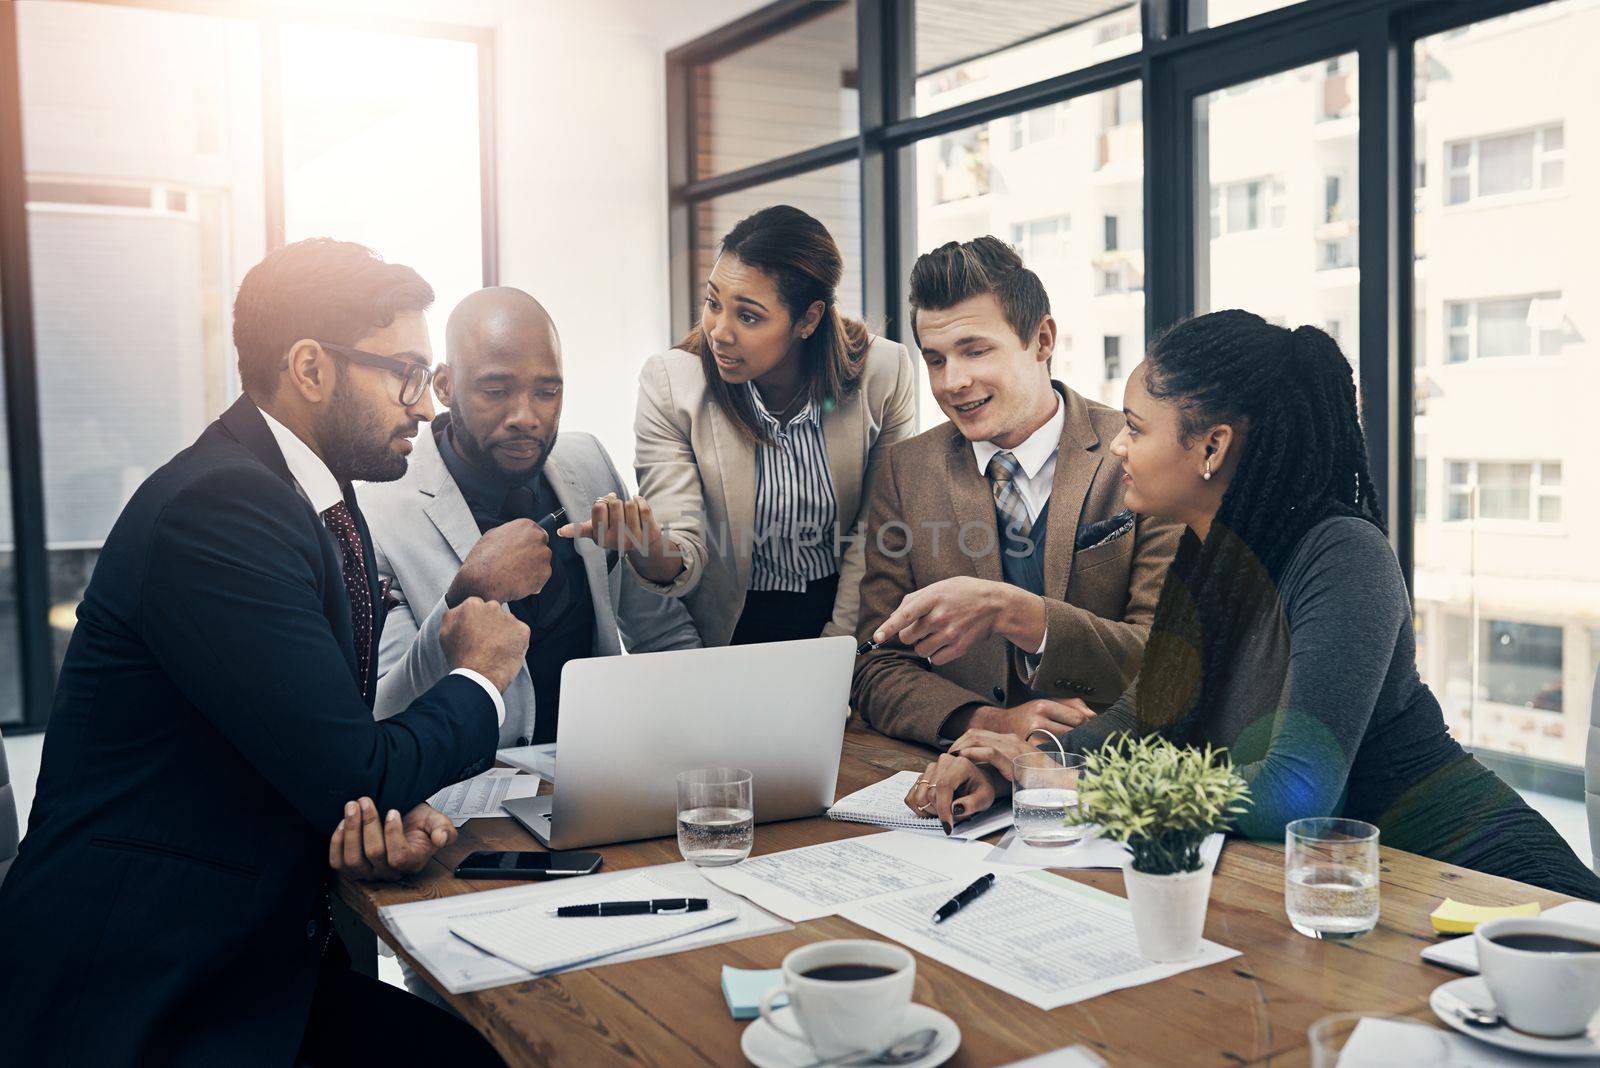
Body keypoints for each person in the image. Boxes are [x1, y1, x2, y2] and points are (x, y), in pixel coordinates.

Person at [0, 238, 529, 1066]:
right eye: (406, 372)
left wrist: (366, 817)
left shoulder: (315, 498)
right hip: (140, 990)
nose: (427, 408)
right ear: (312, 367)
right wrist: (480, 678)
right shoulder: (219, 511)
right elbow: (357, 766)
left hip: (250, 955)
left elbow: (324, 752)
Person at [907, 310, 1600, 901]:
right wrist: (1019, 761)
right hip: (1346, 887)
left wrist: (1071, 787)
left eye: (1137, 429)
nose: (1117, 444)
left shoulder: (1341, 555)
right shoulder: (1207, 554)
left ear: (1211, 447)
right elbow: (1145, 720)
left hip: (1484, 882)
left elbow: (1293, 794)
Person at [851, 236, 1180, 750]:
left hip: (1109, 777)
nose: (953, 382)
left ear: (1043, 340)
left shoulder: (1142, 455)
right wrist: (987, 722)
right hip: (954, 783)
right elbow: (876, 664)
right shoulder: (904, 470)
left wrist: (1018, 613)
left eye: (975, 350)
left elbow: (1166, 657)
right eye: (935, 360)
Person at [559, 204, 916, 646]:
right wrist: (646, 546)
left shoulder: (885, 372)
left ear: (808, 319)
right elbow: (681, 546)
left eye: (747, 316)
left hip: (850, 613)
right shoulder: (672, 384)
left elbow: (878, 533)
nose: (719, 331)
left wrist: (839, 647)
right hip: (730, 626)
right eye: (713, 303)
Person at [363, 287, 701, 749]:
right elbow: (389, 709)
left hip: (603, 773)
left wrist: (707, 736)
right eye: (496, 390)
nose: (526, 416)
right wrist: (472, 590)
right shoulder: (377, 514)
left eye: (547, 391)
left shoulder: (589, 463)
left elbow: (662, 635)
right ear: (444, 386)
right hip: (467, 793)